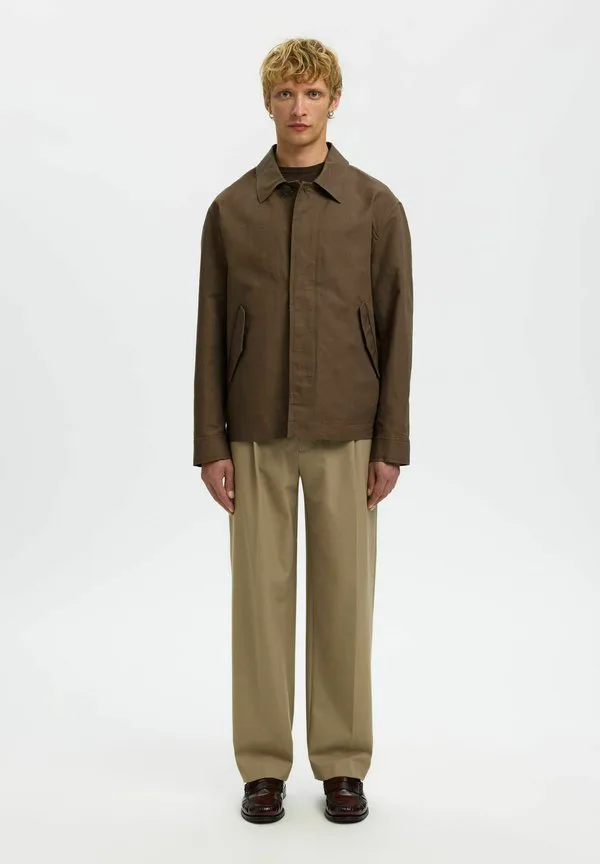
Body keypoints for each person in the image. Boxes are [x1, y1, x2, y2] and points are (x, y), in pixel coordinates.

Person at [193, 37, 414, 824]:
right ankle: (262, 767)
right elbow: (210, 328)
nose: (299, 108)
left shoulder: (375, 207)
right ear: (268, 103)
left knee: (344, 600)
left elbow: (397, 325)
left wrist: (391, 443)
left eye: (313, 94)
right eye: (286, 94)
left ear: (334, 102)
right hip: (254, 429)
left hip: (348, 429)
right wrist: (210, 443)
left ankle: (343, 763)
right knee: (259, 602)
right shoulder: (231, 210)